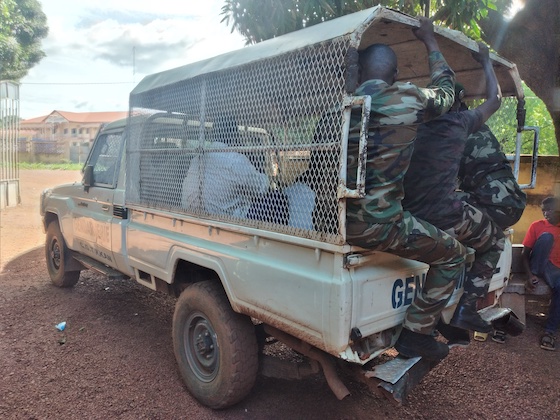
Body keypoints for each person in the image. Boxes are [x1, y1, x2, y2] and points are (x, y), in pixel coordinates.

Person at [345, 17, 466, 361]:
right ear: (395, 75)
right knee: (454, 254)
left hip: (339, 222)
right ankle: (416, 332)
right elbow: (446, 93)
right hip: (381, 226)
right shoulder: (408, 97)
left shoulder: (342, 107)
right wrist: (429, 42)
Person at [402, 42, 503, 343]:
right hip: (441, 215)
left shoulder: (410, 124)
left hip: (407, 214)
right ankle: (466, 309)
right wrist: (485, 61)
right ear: (458, 101)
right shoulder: (458, 123)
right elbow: (495, 99)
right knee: (495, 239)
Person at [182, 116, 270, 219]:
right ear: (235, 135)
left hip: (191, 217)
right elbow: (261, 188)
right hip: (226, 221)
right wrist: (265, 175)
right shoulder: (236, 161)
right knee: (275, 201)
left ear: (213, 134)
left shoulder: (196, 160)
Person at [458, 123, 526, 230]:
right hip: (515, 203)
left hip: (493, 205)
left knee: (432, 204)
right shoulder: (478, 123)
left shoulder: (447, 130)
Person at [522, 196, 560, 351]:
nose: (546, 214)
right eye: (544, 211)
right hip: (538, 265)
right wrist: (529, 275)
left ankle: (550, 331)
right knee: (546, 237)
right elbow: (524, 254)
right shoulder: (537, 226)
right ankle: (536, 276)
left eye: (550, 210)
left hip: (556, 270)